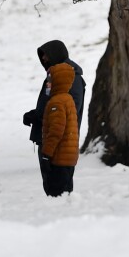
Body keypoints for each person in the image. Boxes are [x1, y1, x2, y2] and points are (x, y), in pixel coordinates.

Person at [22, 40, 85, 192]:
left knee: (58, 190)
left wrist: (41, 117)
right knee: (52, 186)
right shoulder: (54, 75)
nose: (43, 59)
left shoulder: (72, 78)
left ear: (56, 54)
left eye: (46, 55)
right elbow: (51, 104)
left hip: (59, 143)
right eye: (42, 56)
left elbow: (68, 112)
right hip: (49, 138)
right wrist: (35, 115)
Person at [40, 62, 80, 196]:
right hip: (68, 158)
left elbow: (56, 131)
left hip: (59, 158)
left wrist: (46, 155)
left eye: (50, 81)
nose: (47, 84)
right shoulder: (68, 99)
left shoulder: (56, 102)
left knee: (56, 196)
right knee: (66, 195)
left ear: (58, 82)